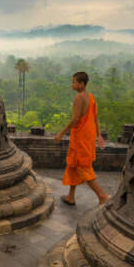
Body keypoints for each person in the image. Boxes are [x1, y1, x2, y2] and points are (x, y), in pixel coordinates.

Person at [54, 72, 109, 205]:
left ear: (81, 84)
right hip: (87, 135)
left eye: (74, 82)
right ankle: (71, 197)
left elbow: (75, 120)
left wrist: (61, 133)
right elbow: (95, 118)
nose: (72, 84)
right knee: (73, 164)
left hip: (81, 137)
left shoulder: (79, 97)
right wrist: (99, 135)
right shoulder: (91, 97)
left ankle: (102, 196)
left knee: (82, 167)